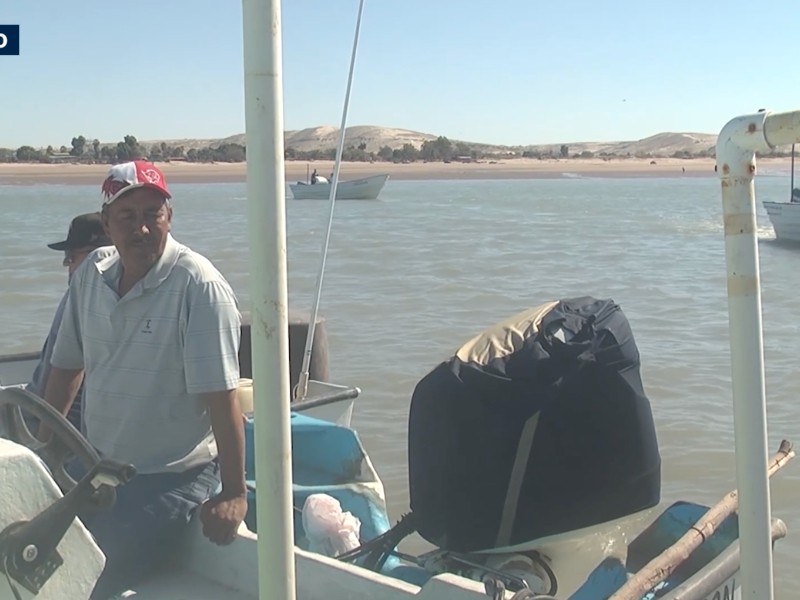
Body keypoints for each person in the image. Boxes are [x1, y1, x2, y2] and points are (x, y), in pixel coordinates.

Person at [42, 160, 247, 598]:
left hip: (169, 475)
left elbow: (223, 401)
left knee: (84, 577)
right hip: (93, 462)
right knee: (24, 542)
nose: (142, 229)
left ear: (169, 217)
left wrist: (234, 492)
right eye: (127, 216)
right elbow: (67, 369)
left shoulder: (200, 288)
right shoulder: (91, 274)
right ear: (106, 223)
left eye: (153, 214)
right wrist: (44, 451)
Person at [26, 212, 112, 431]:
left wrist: (44, 439)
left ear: (101, 253)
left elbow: (60, 377)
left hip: (50, 424)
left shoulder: (85, 296)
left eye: (72, 256)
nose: (67, 264)